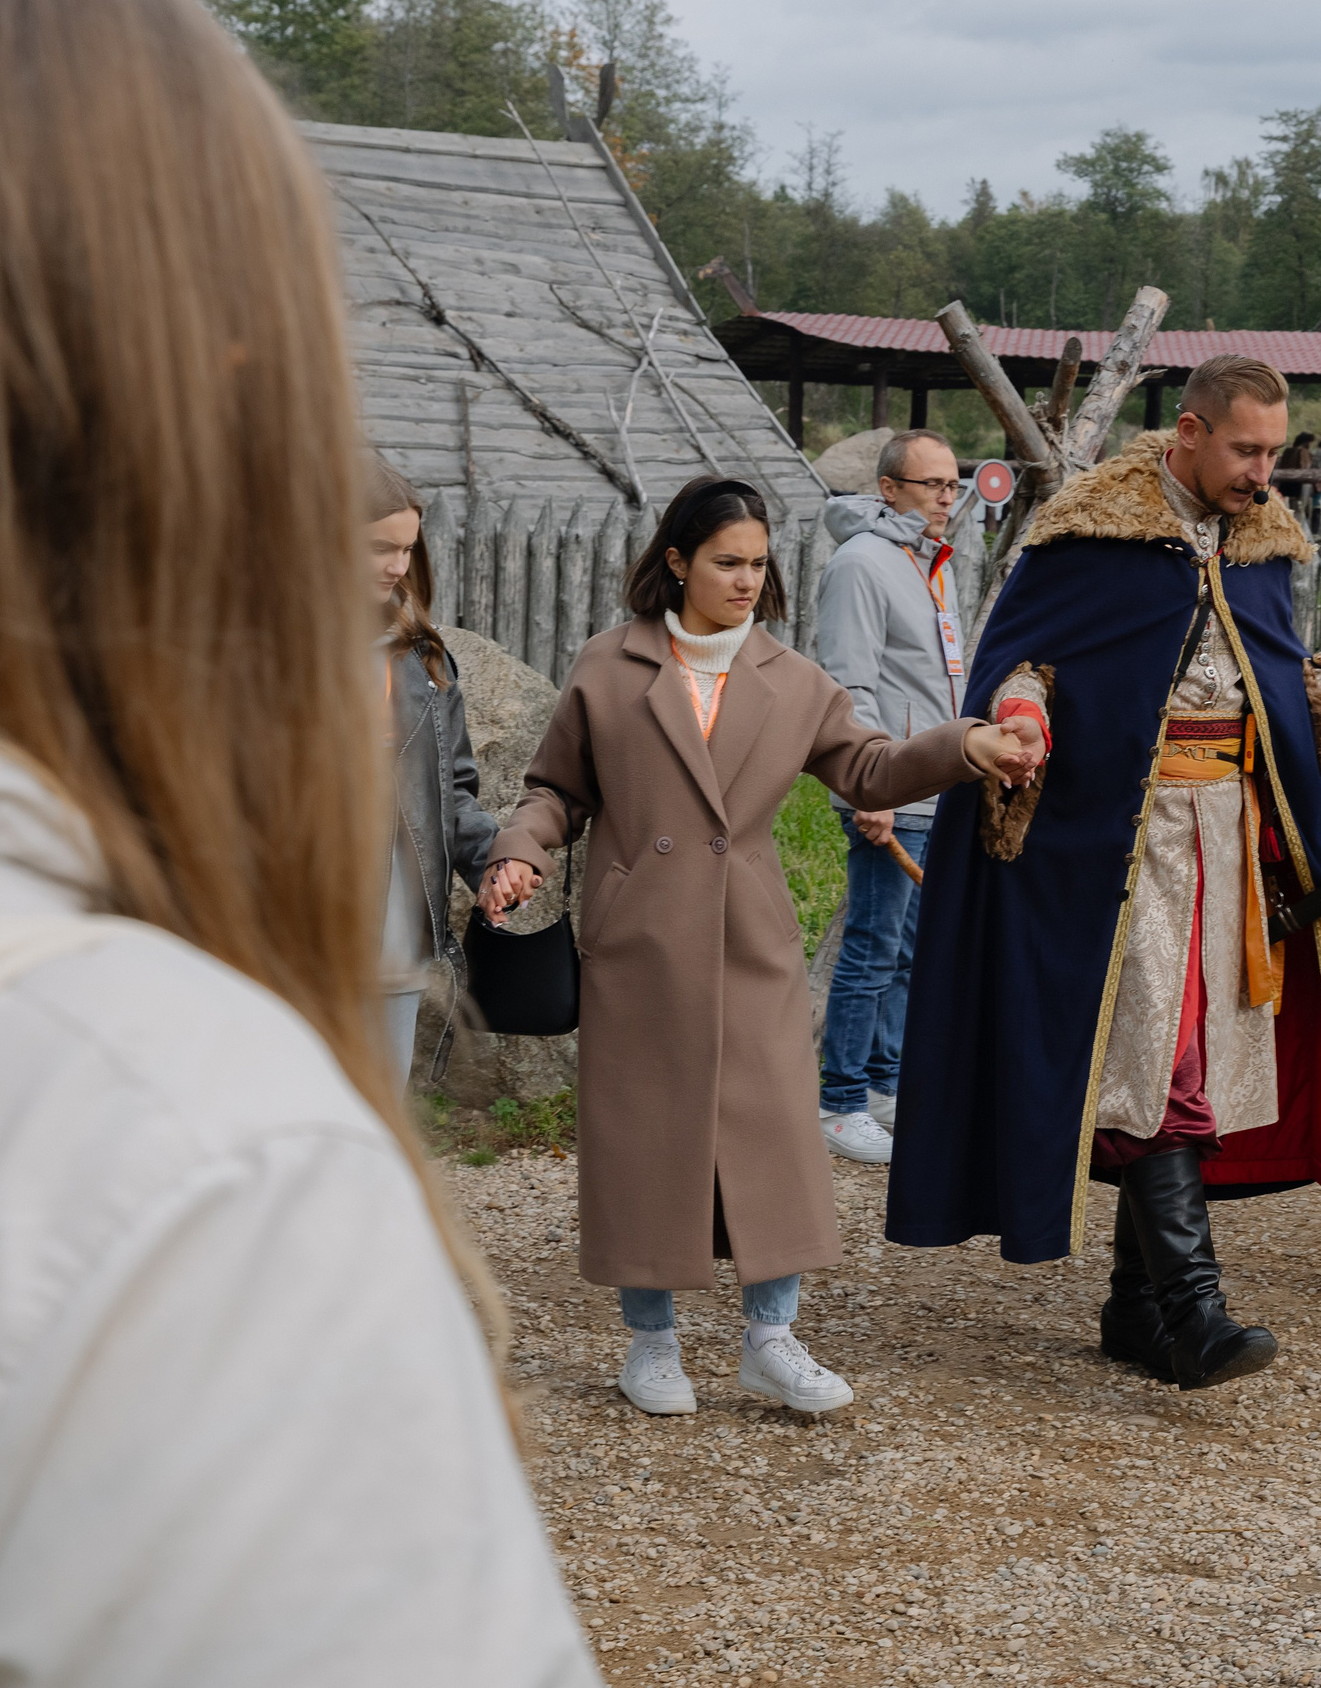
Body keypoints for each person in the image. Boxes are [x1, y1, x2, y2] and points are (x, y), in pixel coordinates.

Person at [0, 0, 595, 1679]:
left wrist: (485, 857)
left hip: (366, 934)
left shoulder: (432, 671)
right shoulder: (187, 1162)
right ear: (223, 391)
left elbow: (446, 791)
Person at [886, 354, 1321, 1392]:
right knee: (1159, 1063)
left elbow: (1287, 675)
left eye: (1274, 450)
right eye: (1246, 449)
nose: (1263, 471)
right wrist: (1019, 721)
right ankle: (1193, 1307)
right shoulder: (1086, 535)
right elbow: (1024, 663)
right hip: (1123, 847)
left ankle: (1133, 1305)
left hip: (1232, 844)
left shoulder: (1259, 543)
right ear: (1188, 432)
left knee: (1186, 1061)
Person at [478, 476, 1030, 1418]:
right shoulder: (608, 668)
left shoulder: (794, 679)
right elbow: (555, 790)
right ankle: (650, 1346)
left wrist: (965, 745)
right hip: (640, 944)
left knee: (774, 1139)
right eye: (726, 561)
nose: (745, 580)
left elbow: (868, 767)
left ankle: (771, 1338)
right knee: (644, 1143)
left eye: (758, 563)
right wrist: (518, 849)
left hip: (750, 940)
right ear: (679, 559)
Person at [813, 428, 968, 1164]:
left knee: (908, 948)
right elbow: (850, 681)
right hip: (889, 783)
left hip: (933, 783)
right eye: (931, 484)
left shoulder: (932, 561)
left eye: (952, 484)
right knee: (872, 945)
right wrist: (866, 782)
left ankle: (883, 1084)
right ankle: (838, 1099)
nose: (947, 497)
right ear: (888, 489)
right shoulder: (861, 563)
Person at [369, 457, 502, 1094]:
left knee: (377, 1126)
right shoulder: (271, 653)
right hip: (296, 932)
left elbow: (452, 787)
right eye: (378, 547)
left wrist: (491, 861)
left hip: (395, 938)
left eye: (407, 549)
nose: (398, 566)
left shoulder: (423, 657)